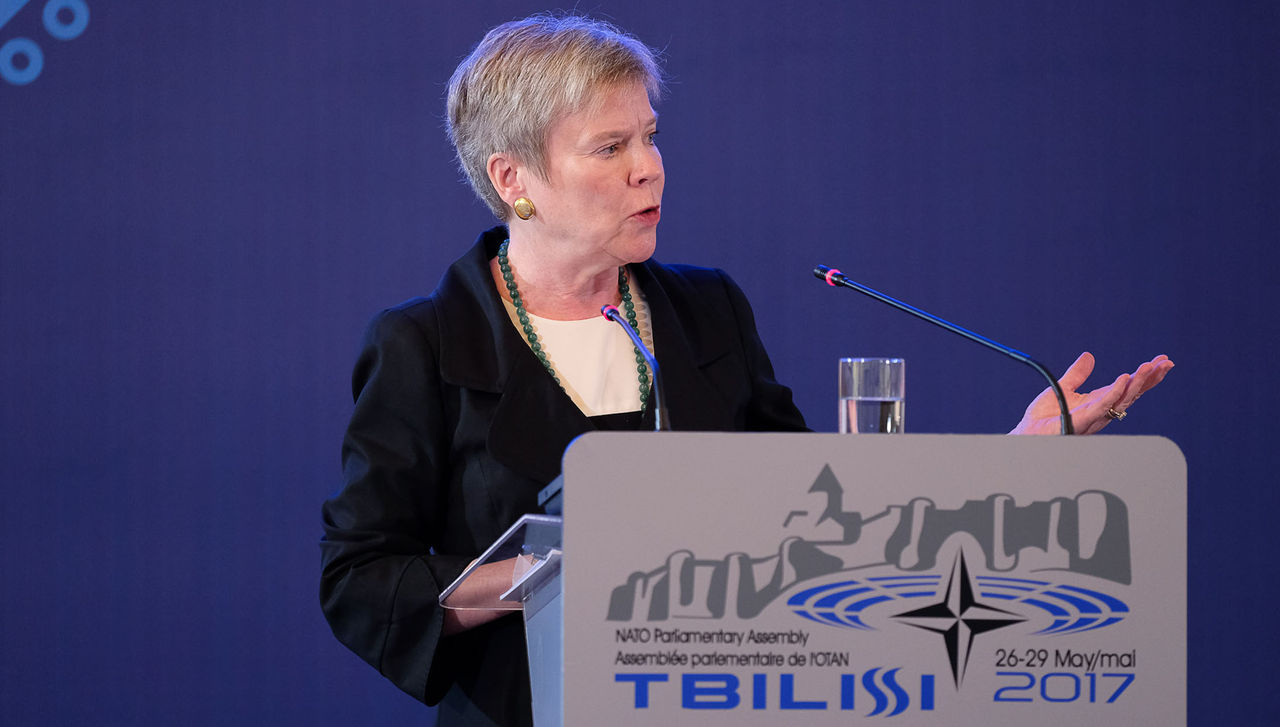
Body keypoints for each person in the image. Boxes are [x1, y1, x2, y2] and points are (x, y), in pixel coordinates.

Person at [319, 14, 1173, 727]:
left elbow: (814, 516)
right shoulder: (425, 344)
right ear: (516, 181)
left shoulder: (704, 312)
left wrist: (1011, 458)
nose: (648, 166)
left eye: (649, 136)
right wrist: (555, 572)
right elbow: (362, 578)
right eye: (609, 146)